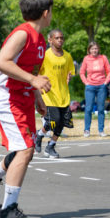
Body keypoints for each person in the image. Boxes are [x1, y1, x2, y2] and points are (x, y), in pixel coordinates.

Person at [0, 0, 52, 218]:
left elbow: (30, 71)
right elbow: (1, 62)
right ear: (45, 13)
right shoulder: (23, 34)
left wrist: (36, 96)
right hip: (6, 97)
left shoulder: (40, 39)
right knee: (25, 150)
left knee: (25, 149)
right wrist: (33, 81)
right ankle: (8, 209)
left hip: (22, 97)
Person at [34, 29, 75, 158]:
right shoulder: (45, 56)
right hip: (49, 94)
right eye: (57, 38)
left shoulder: (67, 56)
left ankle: (50, 145)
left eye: (61, 38)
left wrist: (69, 77)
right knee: (54, 120)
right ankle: (40, 135)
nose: (60, 40)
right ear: (50, 40)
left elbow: (70, 72)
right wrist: (40, 85)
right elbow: (36, 72)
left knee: (61, 122)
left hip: (63, 95)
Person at [80, 41, 110, 137]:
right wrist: (86, 82)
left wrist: (106, 82)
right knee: (88, 109)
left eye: (96, 48)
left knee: (101, 109)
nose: (94, 50)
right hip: (90, 86)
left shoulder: (103, 58)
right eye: (92, 48)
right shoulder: (86, 59)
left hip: (101, 87)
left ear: (98, 49)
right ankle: (86, 130)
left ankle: (101, 130)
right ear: (89, 50)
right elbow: (81, 72)